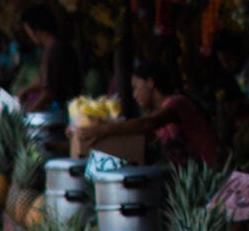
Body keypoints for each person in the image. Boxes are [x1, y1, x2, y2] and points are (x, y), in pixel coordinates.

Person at [70, 57, 218, 166]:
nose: (134, 94)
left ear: (150, 83)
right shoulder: (156, 114)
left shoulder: (177, 103)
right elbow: (133, 138)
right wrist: (80, 134)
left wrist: (102, 129)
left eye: (137, 87)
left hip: (210, 171)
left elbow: (146, 124)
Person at [19, 5, 79, 114]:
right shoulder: (58, 45)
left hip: (63, 111)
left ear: (35, 30)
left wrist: (27, 114)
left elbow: (48, 92)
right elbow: (46, 79)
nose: (30, 37)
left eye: (28, 32)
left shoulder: (53, 51)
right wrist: (26, 89)